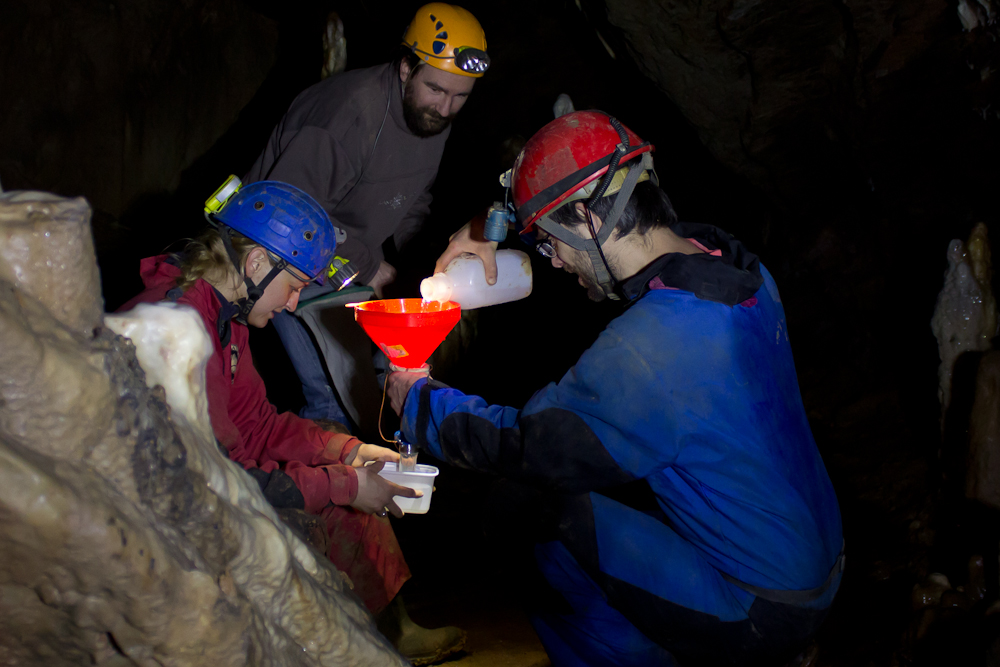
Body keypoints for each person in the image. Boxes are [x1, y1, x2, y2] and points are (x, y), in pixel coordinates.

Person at [387, 111, 844, 666]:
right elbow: (586, 200)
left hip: (762, 605)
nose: (550, 261)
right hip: (817, 560)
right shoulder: (737, 268)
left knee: (527, 510)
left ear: (586, 216)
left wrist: (419, 400)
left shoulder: (650, 348)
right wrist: (489, 227)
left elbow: (528, 446)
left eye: (551, 244)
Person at [120, 179, 466, 665]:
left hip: (214, 488)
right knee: (314, 526)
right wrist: (343, 485)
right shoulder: (174, 329)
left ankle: (385, 633)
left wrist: (350, 454)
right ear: (258, 263)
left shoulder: (225, 317)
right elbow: (212, 483)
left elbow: (257, 424)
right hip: (167, 519)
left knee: (351, 477)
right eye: (295, 285)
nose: (289, 304)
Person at [244, 2, 490, 427]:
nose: (446, 108)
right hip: (277, 260)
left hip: (343, 271)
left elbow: (413, 198)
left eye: (460, 97)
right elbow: (291, 211)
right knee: (334, 401)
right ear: (405, 68)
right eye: (436, 90)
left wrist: (424, 266)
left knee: (377, 383)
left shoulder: (431, 118)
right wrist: (370, 264)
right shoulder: (347, 115)